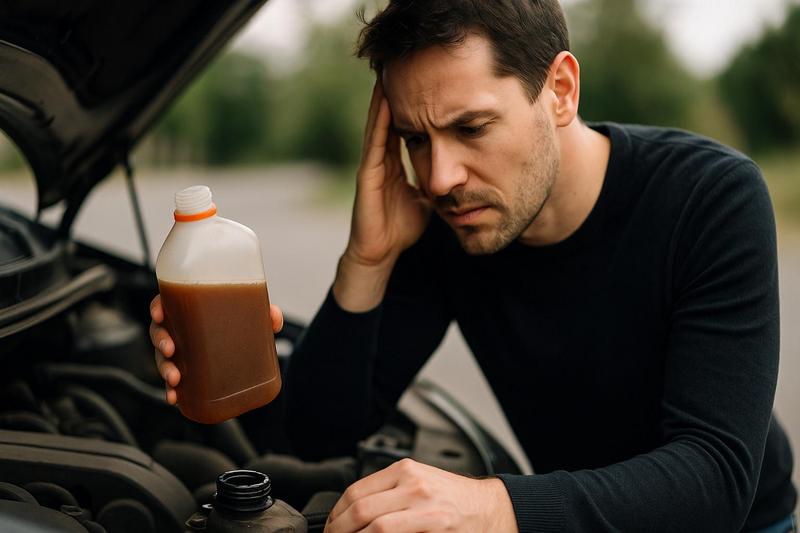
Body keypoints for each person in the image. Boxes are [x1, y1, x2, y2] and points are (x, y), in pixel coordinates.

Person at [150, 0, 798, 531]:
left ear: (561, 90)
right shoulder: (452, 227)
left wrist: (494, 504)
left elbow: (716, 476)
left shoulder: (710, 197)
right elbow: (319, 432)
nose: (439, 177)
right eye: (414, 139)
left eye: (471, 128)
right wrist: (366, 259)